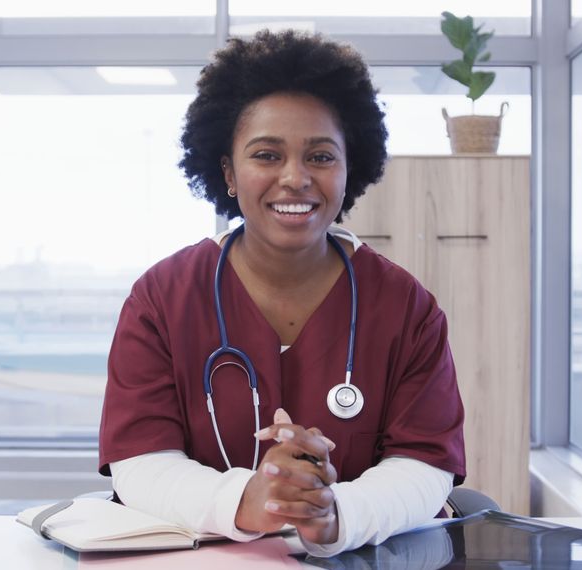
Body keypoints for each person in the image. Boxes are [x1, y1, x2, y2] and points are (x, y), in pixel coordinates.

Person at [98, 29, 465, 556]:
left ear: (348, 170)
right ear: (227, 171)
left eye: (320, 157)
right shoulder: (162, 299)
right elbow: (140, 462)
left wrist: (335, 513)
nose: (295, 178)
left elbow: (425, 464)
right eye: (267, 155)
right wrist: (250, 499)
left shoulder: (405, 307)